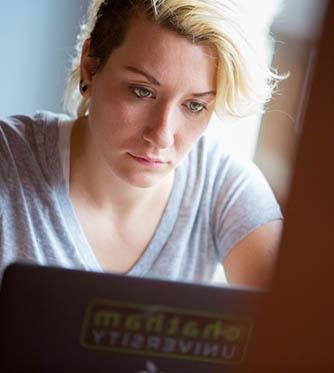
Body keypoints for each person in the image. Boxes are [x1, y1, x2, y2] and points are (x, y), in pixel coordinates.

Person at [0, 0, 284, 289]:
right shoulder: (7, 160)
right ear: (89, 67)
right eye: (141, 91)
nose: (162, 135)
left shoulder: (223, 187)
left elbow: (296, 319)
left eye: (194, 106)